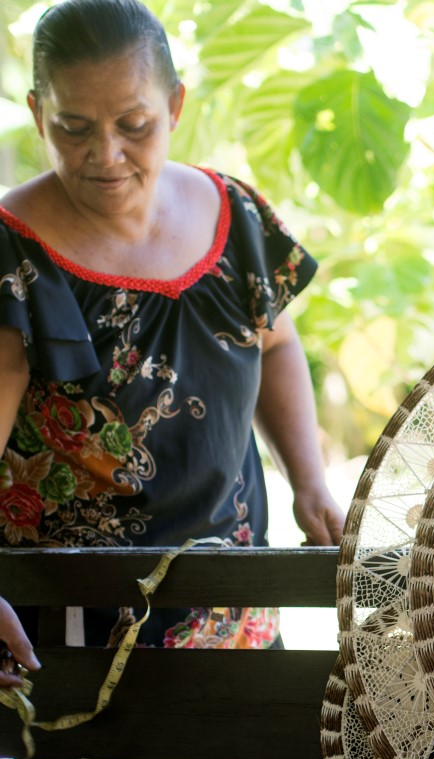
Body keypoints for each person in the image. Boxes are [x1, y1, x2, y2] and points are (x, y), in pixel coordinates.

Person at [0, 0, 344, 679]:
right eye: (72, 128)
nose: (106, 155)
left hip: (232, 602)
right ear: (39, 114)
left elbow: (273, 346)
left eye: (134, 125)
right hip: (74, 623)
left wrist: (310, 485)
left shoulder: (235, 215)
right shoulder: (12, 249)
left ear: (176, 105)